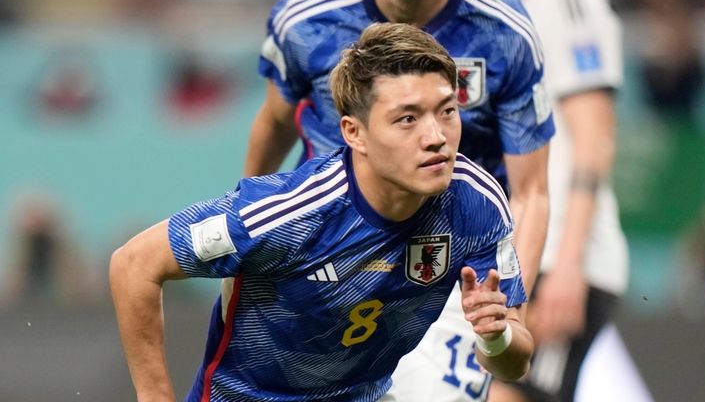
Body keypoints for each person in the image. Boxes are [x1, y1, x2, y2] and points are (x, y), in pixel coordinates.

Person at [110, 22, 533, 402]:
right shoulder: (285, 214)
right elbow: (133, 265)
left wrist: (495, 337)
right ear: (354, 132)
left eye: (447, 112)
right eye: (407, 119)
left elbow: (517, 362)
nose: (437, 137)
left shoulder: (476, 204)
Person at [247, 0, 553, 399]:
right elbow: (275, 122)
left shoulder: (504, 30)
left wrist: (510, 309)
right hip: (323, 262)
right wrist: (251, 245)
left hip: (449, 269)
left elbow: (532, 192)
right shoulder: (305, 18)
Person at [466, 0, 637, 401]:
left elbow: (595, 137)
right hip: (506, 250)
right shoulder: (470, 1)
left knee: (510, 392)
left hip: (557, 255)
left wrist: (569, 265)